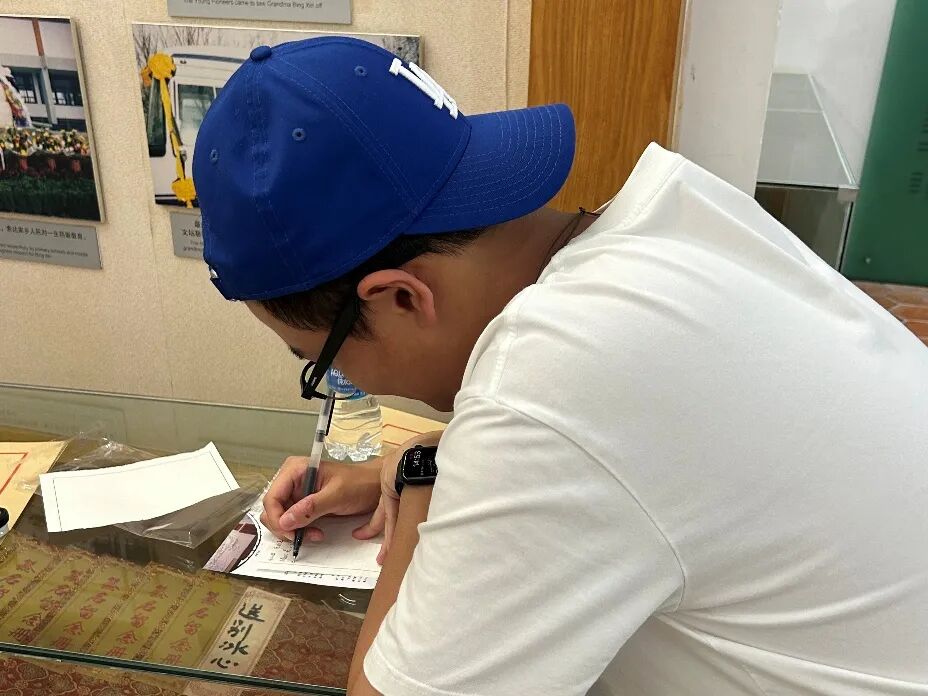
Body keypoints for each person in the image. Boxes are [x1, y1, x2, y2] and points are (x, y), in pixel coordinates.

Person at [193, 37, 928, 696]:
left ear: (401, 298)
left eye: (318, 360)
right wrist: (439, 457)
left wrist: (423, 475)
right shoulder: (672, 215)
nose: (346, 383)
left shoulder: (551, 376)